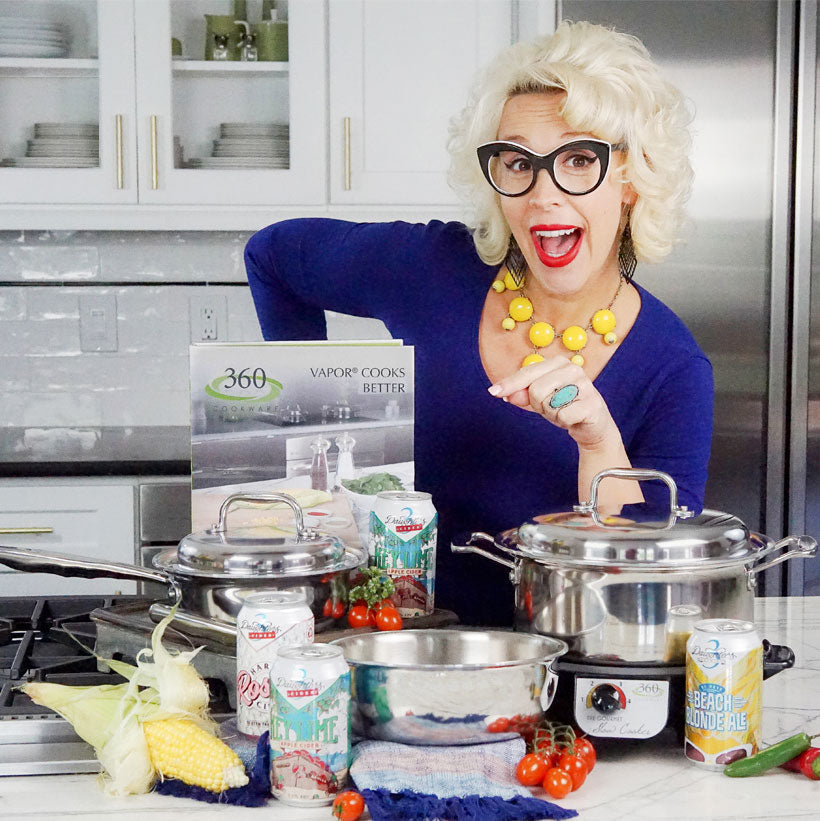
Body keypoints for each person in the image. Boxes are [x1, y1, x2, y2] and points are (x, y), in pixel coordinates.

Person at [245, 21, 714, 626]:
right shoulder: (432, 268)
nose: (544, 194)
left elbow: (647, 593)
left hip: (550, 680)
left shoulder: (673, 369)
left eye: (578, 159)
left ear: (632, 178)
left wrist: (598, 438)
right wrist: (305, 430)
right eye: (518, 162)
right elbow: (274, 255)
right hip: (374, 648)